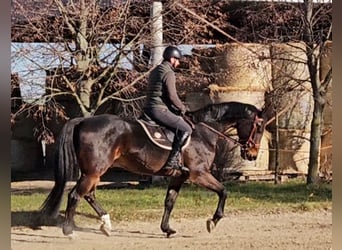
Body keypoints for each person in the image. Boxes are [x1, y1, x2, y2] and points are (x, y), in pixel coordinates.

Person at [143, 45, 192, 173]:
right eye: (177, 60)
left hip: (148, 108)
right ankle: (172, 161)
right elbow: (172, 96)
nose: (178, 63)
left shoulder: (155, 70)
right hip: (158, 109)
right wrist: (182, 108)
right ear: (172, 59)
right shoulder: (168, 72)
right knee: (186, 128)